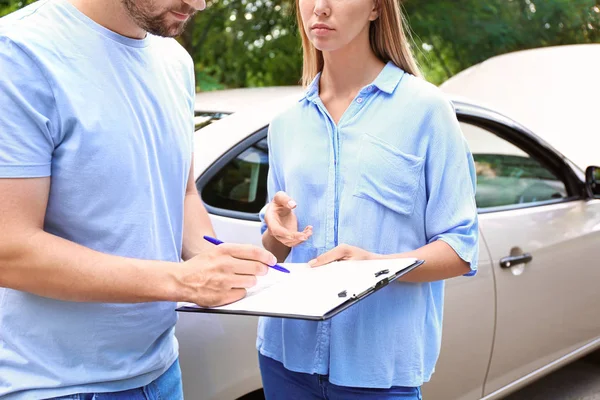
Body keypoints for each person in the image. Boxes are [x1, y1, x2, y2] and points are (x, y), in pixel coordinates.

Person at [0, 0, 277, 399]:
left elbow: (181, 192)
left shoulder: (175, 60)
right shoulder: (19, 53)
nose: (198, 4)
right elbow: (10, 250)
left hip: (162, 372)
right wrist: (182, 281)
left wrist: (211, 258)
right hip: (54, 385)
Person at [260, 0, 479, 398]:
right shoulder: (285, 124)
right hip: (284, 359)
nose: (320, 8)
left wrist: (376, 268)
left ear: (377, 8)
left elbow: (461, 247)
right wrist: (277, 233)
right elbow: (273, 252)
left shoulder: (427, 111)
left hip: (378, 372)